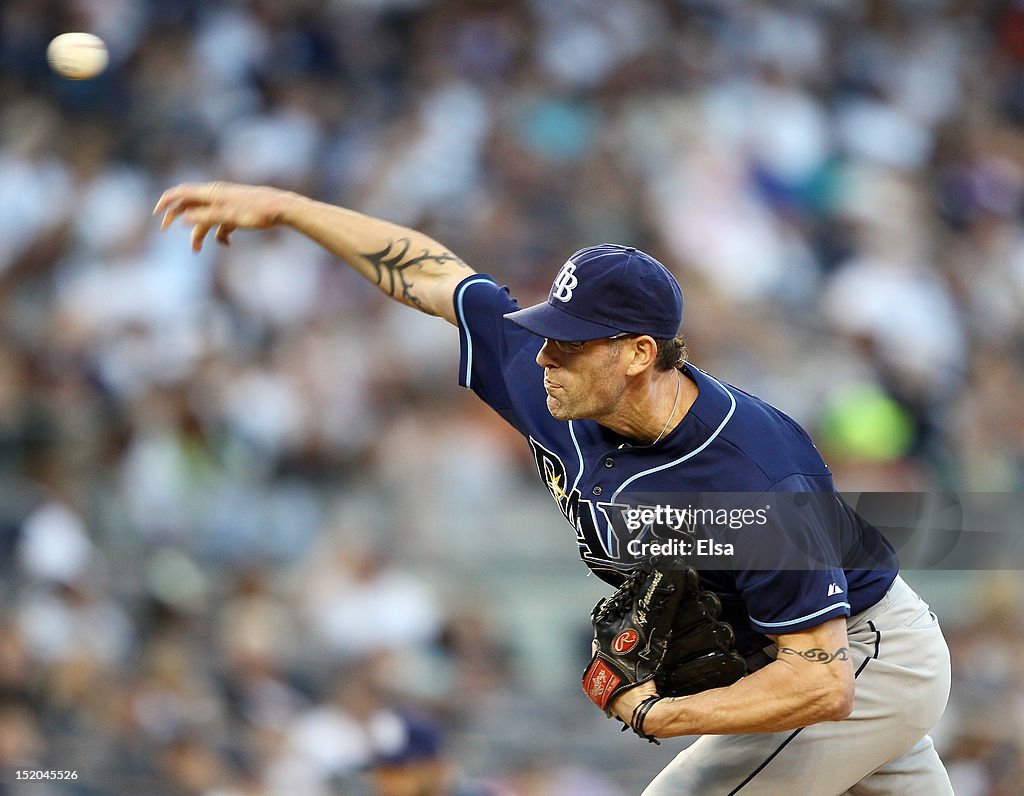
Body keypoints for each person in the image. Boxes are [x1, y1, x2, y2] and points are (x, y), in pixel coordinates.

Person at [154, 182, 953, 795]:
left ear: (638, 353)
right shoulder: (557, 386)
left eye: (568, 344)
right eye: (547, 336)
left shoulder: (757, 475)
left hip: (863, 656)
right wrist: (291, 208)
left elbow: (822, 680)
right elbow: (434, 277)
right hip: (795, 664)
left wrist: (663, 714)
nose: (543, 357)